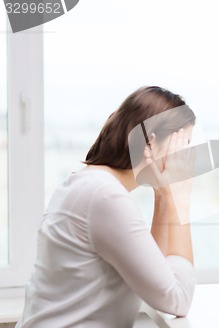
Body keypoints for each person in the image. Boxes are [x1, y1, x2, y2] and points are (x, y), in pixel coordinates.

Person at [16, 86, 197, 327]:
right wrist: (180, 196)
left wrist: (164, 196)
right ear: (150, 142)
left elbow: (155, 276)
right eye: (182, 145)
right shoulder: (104, 196)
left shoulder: (89, 185)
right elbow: (177, 299)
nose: (185, 157)